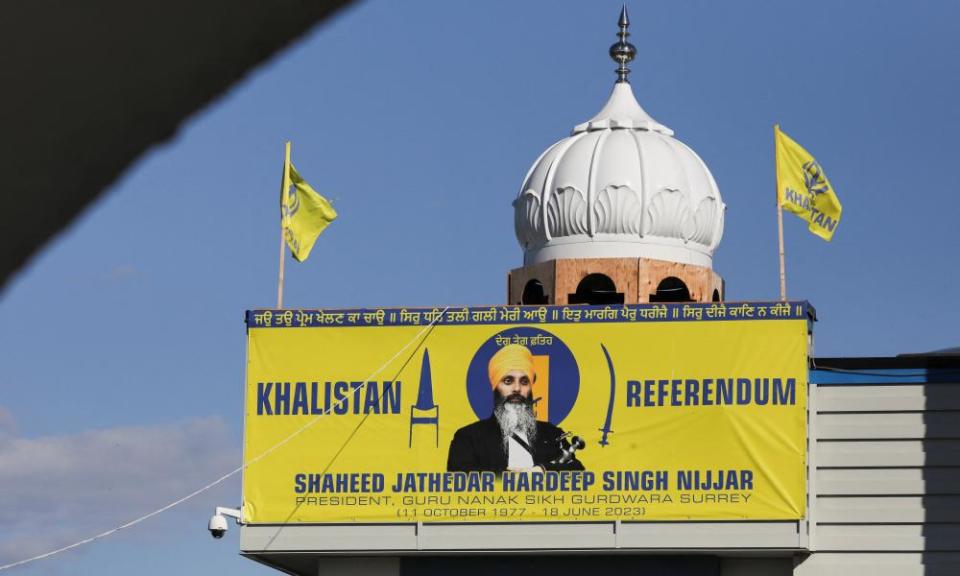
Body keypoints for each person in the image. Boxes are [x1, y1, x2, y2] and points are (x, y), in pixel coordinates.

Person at [447, 343, 584, 473]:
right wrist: (512, 480)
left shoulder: (552, 434)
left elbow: (578, 471)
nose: (517, 389)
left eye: (524, 382)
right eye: (508, 381)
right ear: (495, 387)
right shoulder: (468, 437)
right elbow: (459, 478)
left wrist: (542, 471)